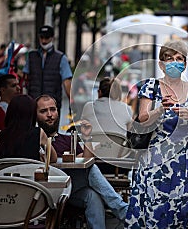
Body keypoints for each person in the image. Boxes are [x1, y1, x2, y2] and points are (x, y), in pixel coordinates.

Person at [125, 40, 188, 228]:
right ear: (161, 65)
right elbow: (142, 119)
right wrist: (160, 110)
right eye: (169, 59)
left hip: (186, 163)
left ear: (185, 64)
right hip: (154, 162)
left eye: (179, 59)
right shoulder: (151, 87)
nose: (174, 62)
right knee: (154, 208)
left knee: (186, 208)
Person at [35, 95, 128, 228]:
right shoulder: (33, 137)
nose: (49, 115)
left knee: (92, 193)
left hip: (70, 187)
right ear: (35, 115)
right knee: (92, 179)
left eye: (53, 110)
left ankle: (122, 211)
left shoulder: (67, 139)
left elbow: (86, 161)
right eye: (43, 111)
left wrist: (87, 137)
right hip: (46, 188)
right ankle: (123, 210)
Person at [23, 25, 72, 113]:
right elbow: (25, 77)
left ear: (52, 38)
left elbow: (67, 82)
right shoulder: (31, 56)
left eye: (47, 37)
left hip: (52, 105)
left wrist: (72, 104)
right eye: (41, 37)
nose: (44, 40)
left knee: (50, 126)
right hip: (34, 103)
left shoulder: (61, 58)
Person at [0, 94, 57, 163]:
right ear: (32, 113)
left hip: (5, 172)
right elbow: (53, 158)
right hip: (29, 172)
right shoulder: (39, 133)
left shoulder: (2, 134)